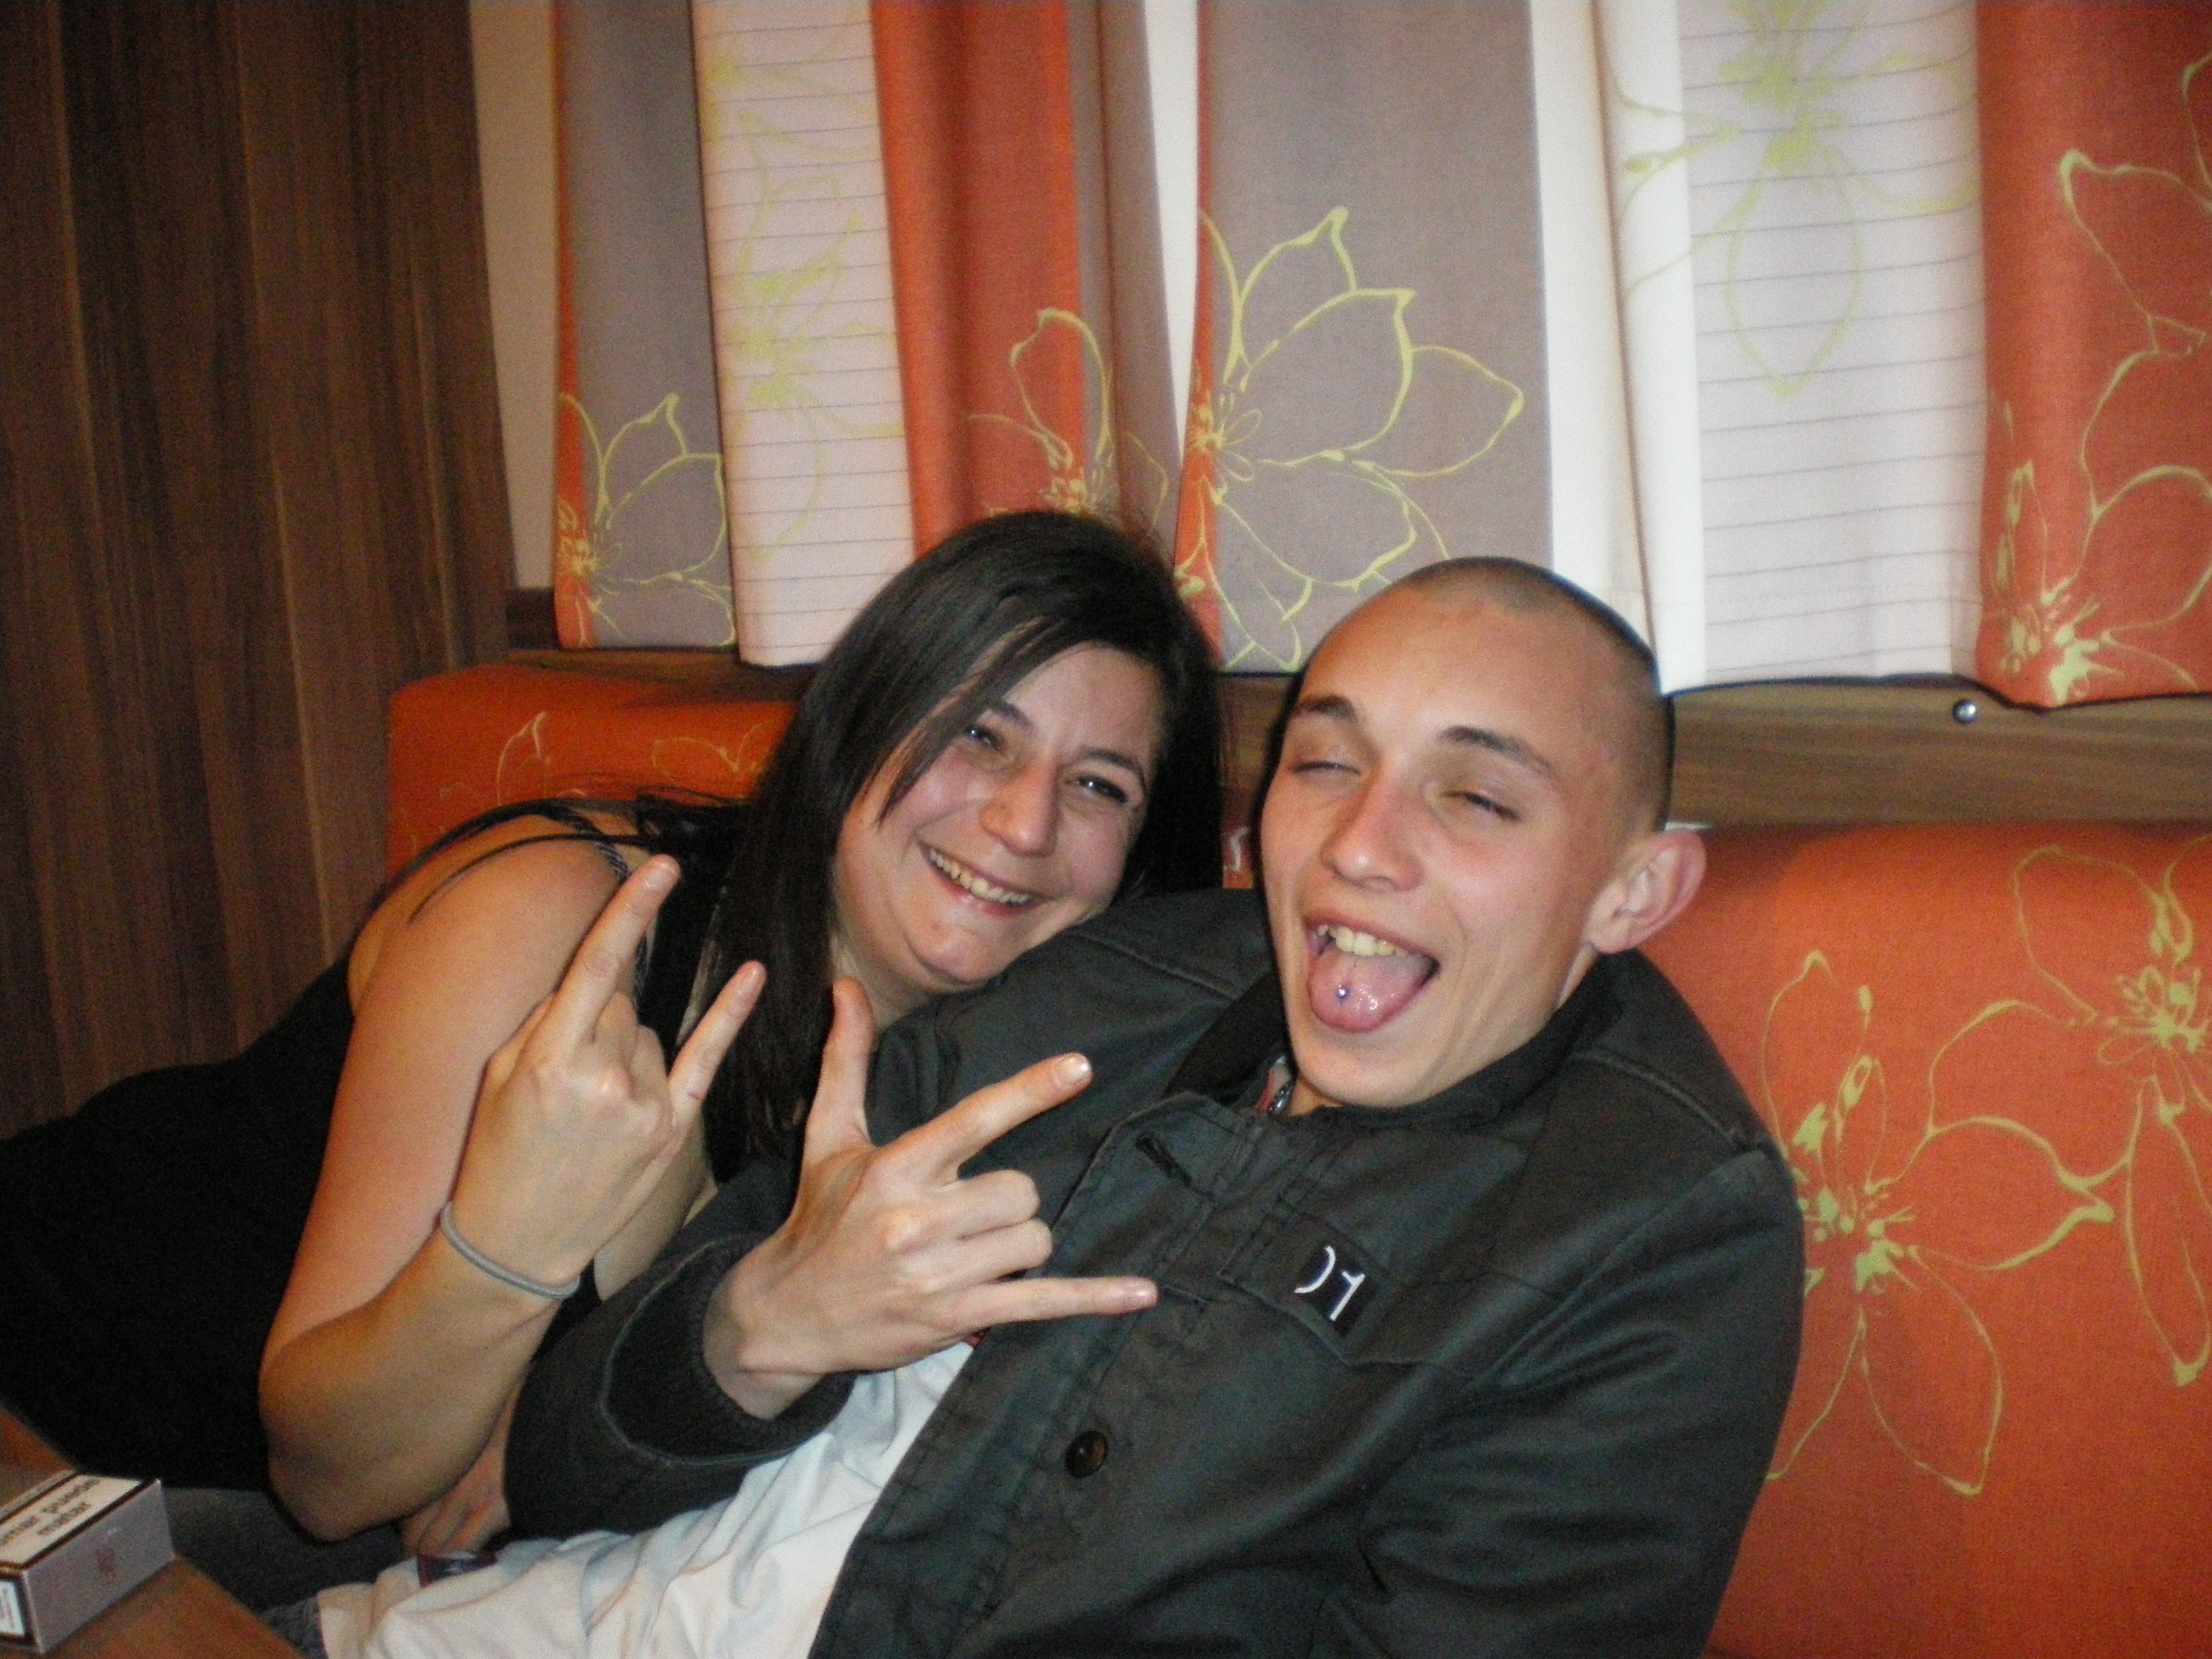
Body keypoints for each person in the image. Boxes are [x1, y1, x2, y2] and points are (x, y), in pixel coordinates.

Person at [313, 556, 1804, 1659]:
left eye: (1473, 799)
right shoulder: (1110, 980)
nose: (1360, 846)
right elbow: (556, 1471)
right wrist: (759, 1324)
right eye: (1326, 763)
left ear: (1635, 889)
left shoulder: (1642, 1228)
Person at [0, 510, 1221, 1602]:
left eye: (1099, 785)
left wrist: (553, 1418)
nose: (1024, 822)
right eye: (980, 736)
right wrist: (512, 1252)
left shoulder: (1011, 1076)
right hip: (55, 1399)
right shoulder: (563, 923)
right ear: (858, 726)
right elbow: (332, 1478)